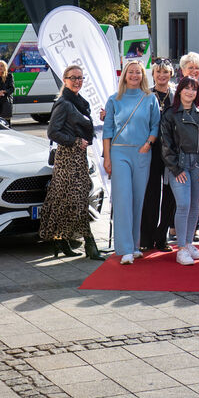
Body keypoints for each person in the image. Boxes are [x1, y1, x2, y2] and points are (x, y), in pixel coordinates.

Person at [40, 65, 101, 260]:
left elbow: (85, 126)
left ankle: (60, 239)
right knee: (77, 201)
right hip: (68, 158)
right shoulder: (64, 103)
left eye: (80, 78)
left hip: (78, 158)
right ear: (65, 80)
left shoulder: (79, 102)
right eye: (73, 77)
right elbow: (52, 132)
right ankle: (90, 245)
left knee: (68, 200)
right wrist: (75, 141)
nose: (77, 81)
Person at [102, 61, 161, 265]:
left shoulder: (150, 98)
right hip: (119, 153)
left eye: (138, 72)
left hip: (143, 153)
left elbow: (155, 125)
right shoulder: (114, 100)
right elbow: (107, 130)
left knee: (138, 200)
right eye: (131, 72)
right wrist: (107, 157)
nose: (134, 75)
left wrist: (148, 143)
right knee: (123, 199)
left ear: (143, 76)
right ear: (124, 75)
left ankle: (134, 245)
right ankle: (125, 248)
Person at [161, 77, 199, 265]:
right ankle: (181, 249)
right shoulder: (170, 114)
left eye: (194, 89)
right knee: (183, 204)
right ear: (179, 91)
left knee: (194, 205)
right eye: (186, 88)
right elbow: (165, 144)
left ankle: (189, 243)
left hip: (198, 165)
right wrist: (176, 168)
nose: (190, 92)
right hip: (180, 164)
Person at [140, 59, 176, 253]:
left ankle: (162, 237)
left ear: (171, 74)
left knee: (170, 195)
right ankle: (146, 236)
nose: (162, 76)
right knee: (151, 194)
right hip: (152, 151)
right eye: (158, 72)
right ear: (153, 75)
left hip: (171, 153)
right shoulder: (146, 95)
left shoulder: (176, 95)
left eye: (165, 72)